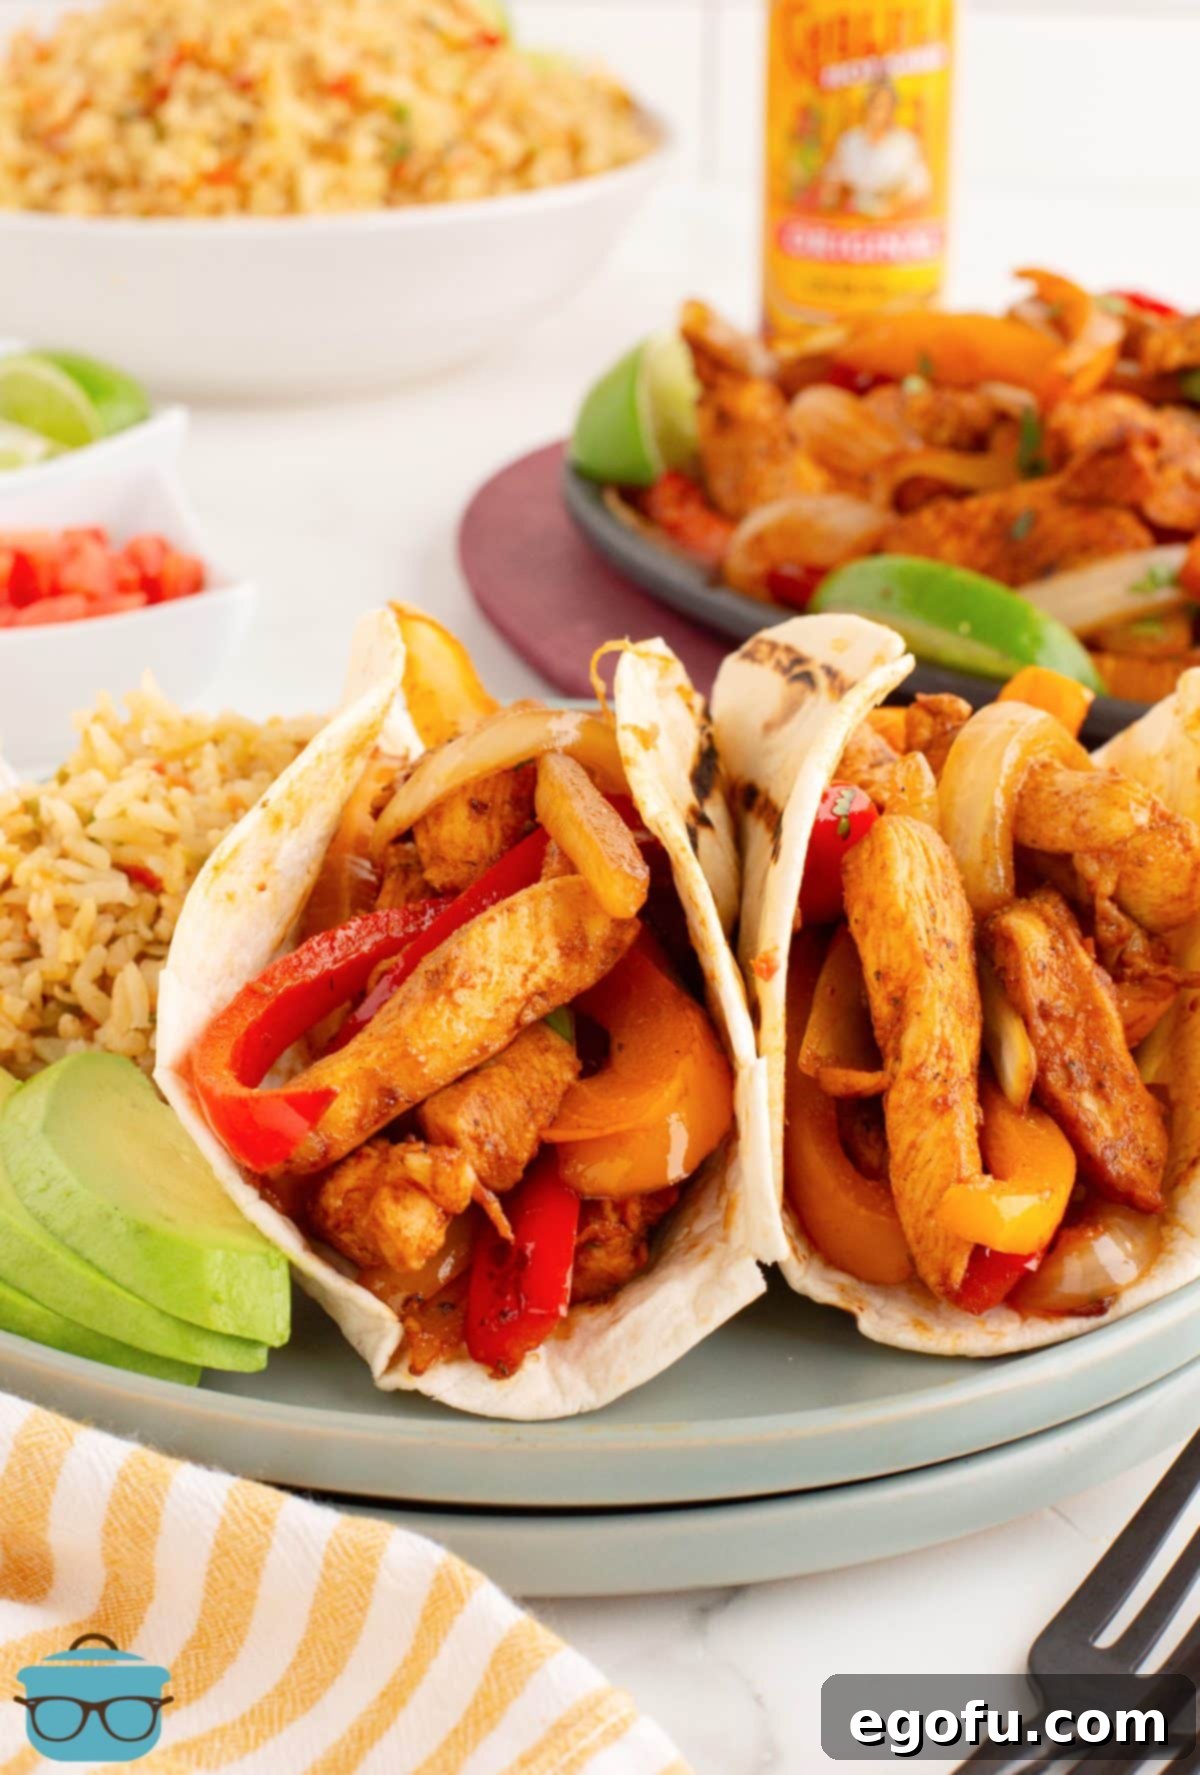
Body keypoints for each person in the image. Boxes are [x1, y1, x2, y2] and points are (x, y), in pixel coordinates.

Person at [818, 78, 932, 219]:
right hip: (852, 218)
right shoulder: (849, 140)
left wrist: (893, 206)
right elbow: (831, 177)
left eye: (887, 106)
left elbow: (921, 186)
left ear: (893, 109)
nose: (881, 112)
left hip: (894, 219)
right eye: (876, 105)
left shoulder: (906, 142)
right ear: (867, 107)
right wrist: (831, 196)